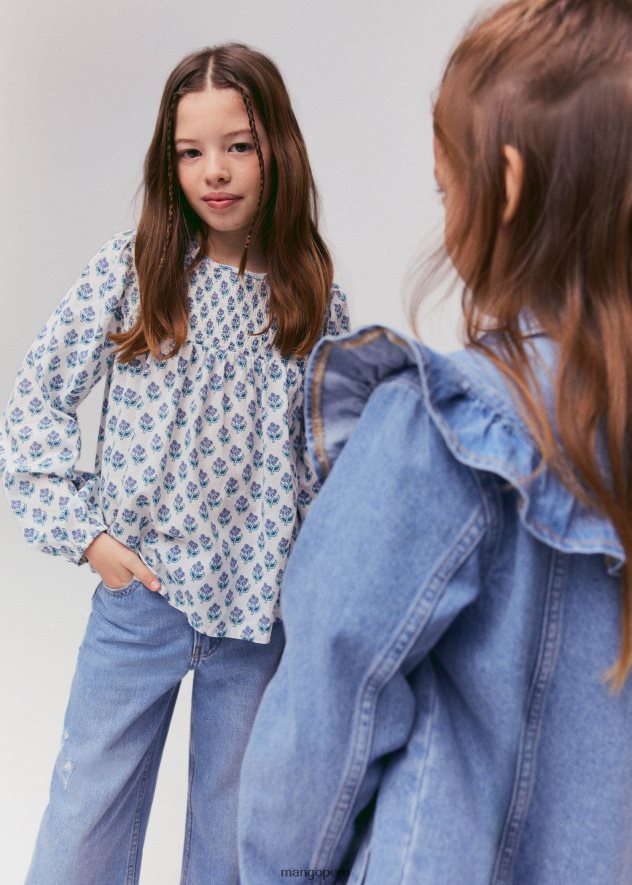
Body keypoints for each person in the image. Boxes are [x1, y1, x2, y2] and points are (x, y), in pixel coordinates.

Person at [237, 1, 632, 882]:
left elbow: (332, 691)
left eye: (446, 184)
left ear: (510, 184)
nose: (445, 209)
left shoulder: (448, 432)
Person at [0, 43, 349, 885]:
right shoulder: (139, 268)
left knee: (235, 842)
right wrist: (89, 539)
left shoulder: (312, 293)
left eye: (238, 145)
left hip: (258, 619)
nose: (214, 172)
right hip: (142, 599)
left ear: (278, 150)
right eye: (190, 152)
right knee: (82, 826)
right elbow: (33, 400)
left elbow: (336, 456)